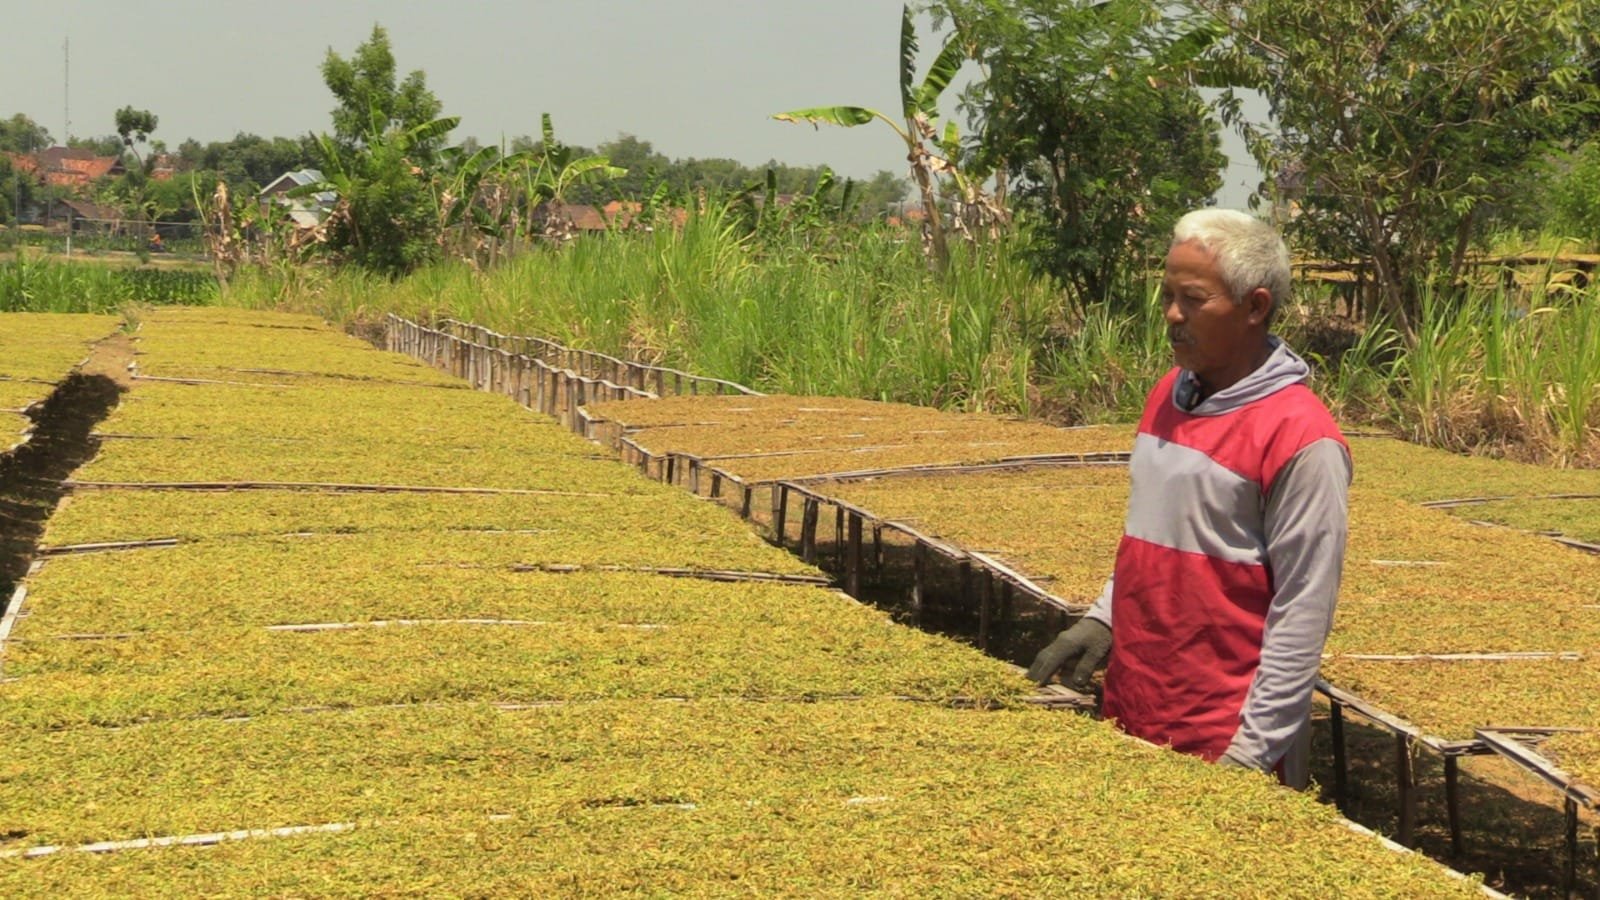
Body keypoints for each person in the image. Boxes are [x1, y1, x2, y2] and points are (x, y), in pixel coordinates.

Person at [1027, 209, 1350, 788]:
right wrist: (1104, 618)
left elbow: (1303, 612)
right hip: (1135, 703)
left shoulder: (1301, 437)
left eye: (1193, 299)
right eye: (1167, 295)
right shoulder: (1165, 398)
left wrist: (1247, 759)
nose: (1172, 316)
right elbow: (1151, 534)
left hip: (1224, 732)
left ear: (1255, 307)